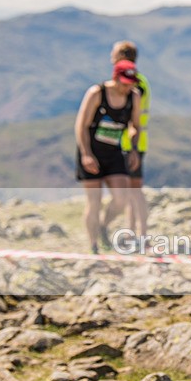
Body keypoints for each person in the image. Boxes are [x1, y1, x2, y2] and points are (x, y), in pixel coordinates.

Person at [75, 59, 141, 254]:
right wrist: (86, 154)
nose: (127, 88)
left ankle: (104, 225)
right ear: (115, 78)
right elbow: (81, 125)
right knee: (94, 201)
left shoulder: (134, 97)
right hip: (92, 151)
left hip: (114, 152)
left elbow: (135, 125)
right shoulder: (96, 93)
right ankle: (93, 244)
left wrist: (134, 148)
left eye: (131, 84)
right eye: (124, 84)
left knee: (121, 198)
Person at [111, 41, 151, 247]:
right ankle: (132, 232)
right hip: (130, 142)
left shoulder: (136, 82)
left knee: (134, 190)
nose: (111, 57)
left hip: (131, 143)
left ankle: (140, 235)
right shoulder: (140, 80)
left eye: (114, 53)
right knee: (131, 191)